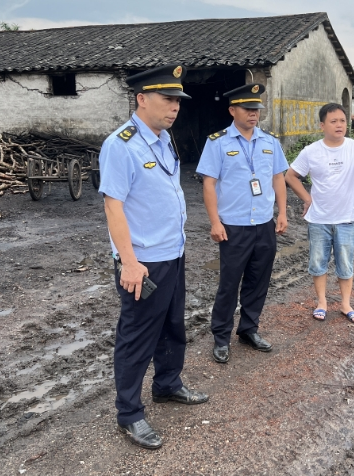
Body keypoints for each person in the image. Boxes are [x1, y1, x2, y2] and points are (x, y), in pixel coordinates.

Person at [98, 64, 208, 450]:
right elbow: (113, 206)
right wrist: (128, 262)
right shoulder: (121, 144)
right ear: (142, 99)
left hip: (172, 252)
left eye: (178, 100)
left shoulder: (163, 139)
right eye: (167, 98)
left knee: (172, 326)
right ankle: (129, 413)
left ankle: (167, 384)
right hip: (143, 261)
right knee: (137, 336)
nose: (175, 106)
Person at [196, 83, 288, 364]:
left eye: (256, 109)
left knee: (258, 281)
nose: (253, 114)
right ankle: (221, 337)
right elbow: (209, 184)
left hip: (264, 223)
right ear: (232, 110)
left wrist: (282, 213)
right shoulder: (217, 142)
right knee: (229, 283)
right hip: (233, 227)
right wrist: (215, 222)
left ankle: (249, 329)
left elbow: (278, 178)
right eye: (247, 109)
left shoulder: (270, 142)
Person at [284, 103, 354, 323]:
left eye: (342, 121)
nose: (339, 125)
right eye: (333, 121)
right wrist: (307, 199)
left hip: (345, 219)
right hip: (319, 219)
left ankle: (346, 304)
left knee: (345, 263)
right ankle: (322, 302)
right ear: (322, 125)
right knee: (318, 263)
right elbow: (290, 176)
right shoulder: (311, 151)